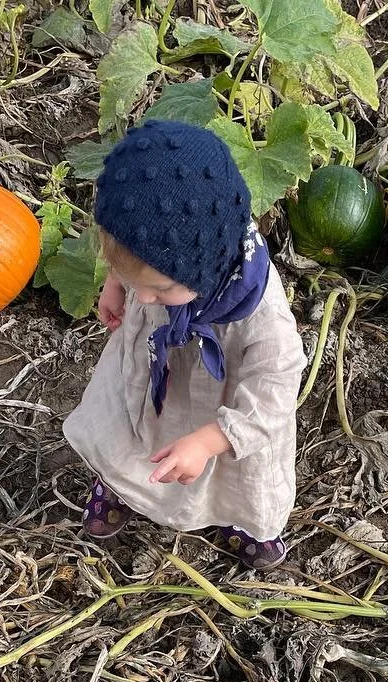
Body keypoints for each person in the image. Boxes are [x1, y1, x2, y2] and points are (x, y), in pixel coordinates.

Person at [63, 119, 306, 570]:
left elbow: (275, 393)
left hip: (220, 412)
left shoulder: (259, 315)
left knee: (236, 477)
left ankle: (240, 520)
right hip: (157, 374)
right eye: (140, 286)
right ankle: (121, 483)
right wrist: (118, 283)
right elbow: (133, 259)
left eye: (158, 289)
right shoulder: (163, 255)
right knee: (130, 423)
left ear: (204, 267)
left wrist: (211, 440)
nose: (147, 298)